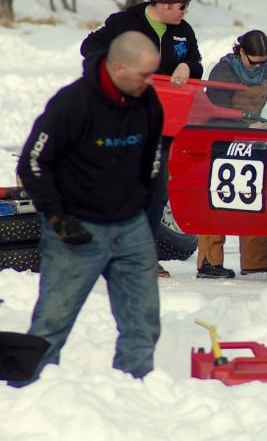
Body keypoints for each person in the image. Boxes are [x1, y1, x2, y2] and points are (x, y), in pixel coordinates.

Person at [13, 31, 163, 385]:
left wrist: (140, 202)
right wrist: (57, 218)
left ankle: (134, 388)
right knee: (52, 323)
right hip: (75, 229)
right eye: (143, 74)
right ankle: (28, 393)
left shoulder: (147, 100)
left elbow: (153, 155)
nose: (149, 81)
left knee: (143, 322)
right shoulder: (73, 104)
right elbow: (32, 164)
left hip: (130, 227)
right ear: (118, 67)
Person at [80, 0, 202, 278]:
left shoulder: (183, 32)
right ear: (162, 5)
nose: (184, 12)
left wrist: (188, 66)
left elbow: (197, 63)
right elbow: (90, 48)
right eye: (180, 6)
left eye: (186, 6)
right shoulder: (125, 23)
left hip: (164, 121)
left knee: (156, 189)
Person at [197, 30, 267, 278]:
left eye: (263, 61)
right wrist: (246, 126)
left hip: (255, 139)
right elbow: (216, 112)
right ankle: (209, 262)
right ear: (241, 52)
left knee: (254, 193)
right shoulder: (222, 71)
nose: (259, 66)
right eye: (254, 61)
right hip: (221, 140)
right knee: (218, 197)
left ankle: (257, 260)